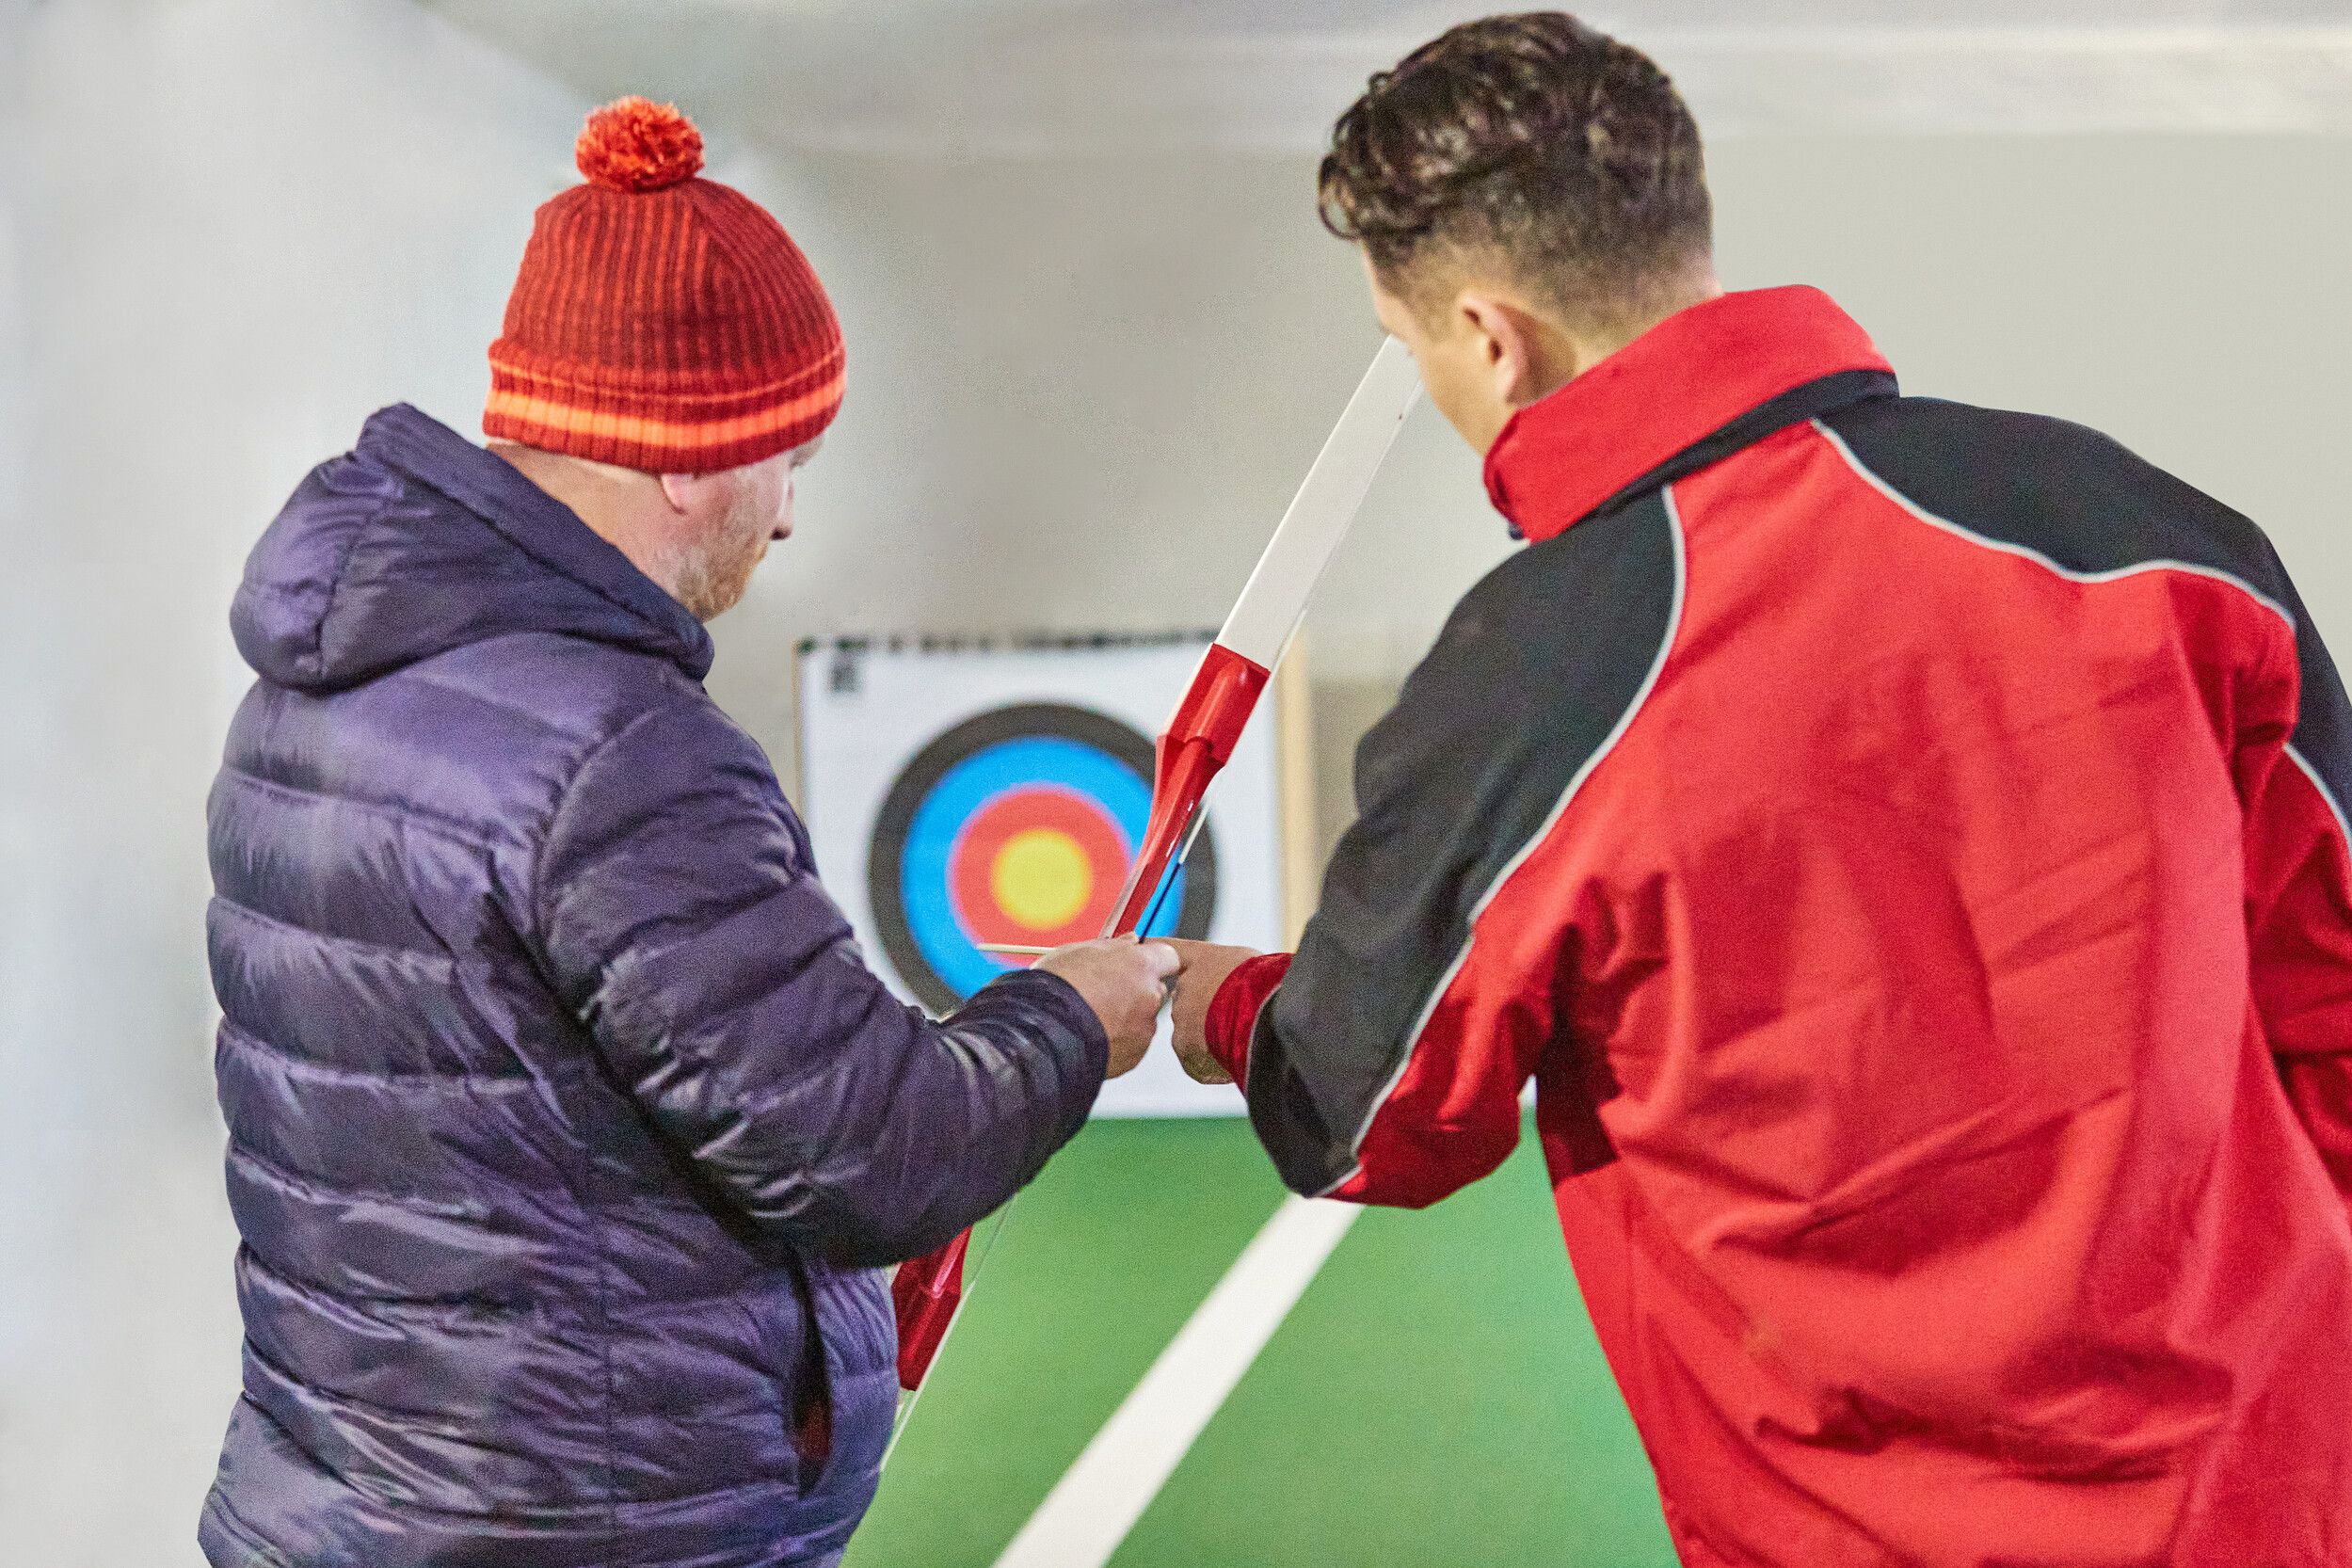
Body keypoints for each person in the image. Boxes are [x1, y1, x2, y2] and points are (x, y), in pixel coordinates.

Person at [1166, 14, 2352, 1565]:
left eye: (1417, 352)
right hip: (2265, 1499)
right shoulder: (2142, 527)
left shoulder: (1533, 674)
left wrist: (1212, 1003)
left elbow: (1373, 1114)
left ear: (1491, 334)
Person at [200, 97, 1177, 1568]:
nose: (786, 515)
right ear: (683, 454)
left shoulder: (310, 689)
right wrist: (1071, 1017)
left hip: (342, 1515)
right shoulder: (614, 749)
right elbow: (866, 1148)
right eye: (787, 455)